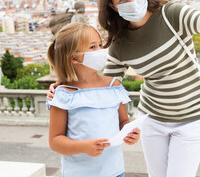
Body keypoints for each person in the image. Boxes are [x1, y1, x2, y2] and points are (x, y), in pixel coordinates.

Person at [49, 0, 200, 177]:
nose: (132, 0)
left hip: (191, 116)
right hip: (152, 118)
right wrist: (63, 85)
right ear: (113, 5)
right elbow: (105, 83)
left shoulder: (170, 13)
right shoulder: (120, 41)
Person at [47, 22, 140, 177]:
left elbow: (123, 122)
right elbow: (55, 141)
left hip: (114, 171)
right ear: (73, 58)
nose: (101, 51)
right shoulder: (64, 95)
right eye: (92, 47)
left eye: (99, 45)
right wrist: (84, 147)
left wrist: (130, 132)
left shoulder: (113, 86)